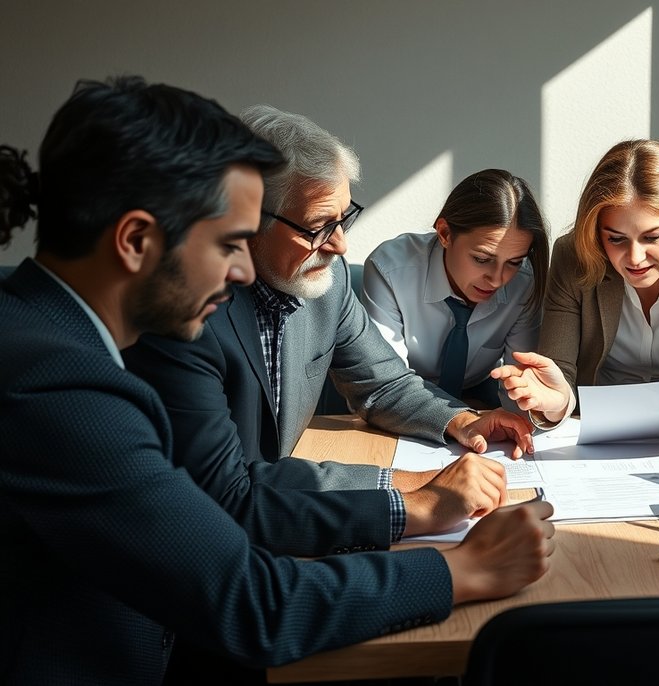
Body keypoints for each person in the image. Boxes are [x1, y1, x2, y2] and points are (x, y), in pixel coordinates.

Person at [0, 76, 554, 686]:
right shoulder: (56, 387)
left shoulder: (50, 340)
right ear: (135, 240)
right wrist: (462, 569)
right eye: (229, 243)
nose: (242, 271)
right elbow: (251, 600)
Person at [125, 106, 535, 559]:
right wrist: (415, 494)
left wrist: (462, 420)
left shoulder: (328, 279)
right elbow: (232, 489)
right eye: (320, 227)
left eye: (345, 218)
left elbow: (384, 383)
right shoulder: (190, 315)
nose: (340, 245)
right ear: (247, 221)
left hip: (283, 523)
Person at [492, 139, 659, 426]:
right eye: (615, 239)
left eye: (652, 237)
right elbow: (560, 373)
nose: (634, 258)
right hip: (594, 429)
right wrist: (556, 402)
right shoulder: (573, 255)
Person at [362, 168, 549, 409]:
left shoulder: (523, 283)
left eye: (514, 262)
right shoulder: (389, 270)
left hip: (481, 391)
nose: (497, 279)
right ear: (445, 234)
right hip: (404, 397)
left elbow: (521, 387)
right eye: (482, 259)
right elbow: (385, 386)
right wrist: (462, 418)